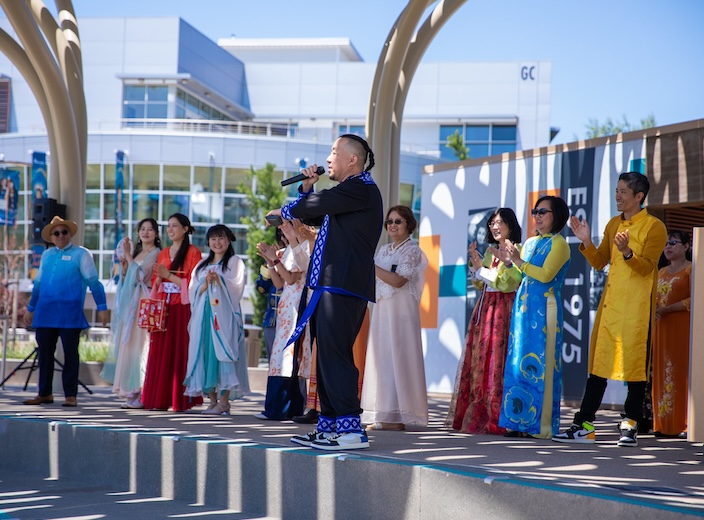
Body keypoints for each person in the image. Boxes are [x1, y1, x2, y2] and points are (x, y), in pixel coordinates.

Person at [269, 134, 383, 451]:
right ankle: (330, 426)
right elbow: (317, 211)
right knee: (326, 357)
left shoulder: (361, 188)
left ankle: (349, 429)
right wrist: (306, 189)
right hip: (330, 284)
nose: (329, 158)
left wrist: (287, 208)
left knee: (336, 356)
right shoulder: (350, 194)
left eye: (334, 152)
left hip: (343, 284)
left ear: (353, 160)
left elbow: (320, 204)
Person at [554, 172, 667, 447]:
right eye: (616, 191)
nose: (617, 196)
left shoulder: (654, 227)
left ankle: (629, 426)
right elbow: (599, 261)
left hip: (637, 310)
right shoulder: (613, 223)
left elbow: (646, 268)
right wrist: (586, 241)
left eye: (623, 192)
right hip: (610, 307)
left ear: (639, 197)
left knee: (635, 370)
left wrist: (628, 252)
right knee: (598, 367)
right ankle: (584, 426)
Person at [497, 196, 570, 439]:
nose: (538, 216)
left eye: (543, 212)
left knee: (542, 364)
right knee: (518, 362)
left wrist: (518, 261)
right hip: (523, 310)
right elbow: (521, 278)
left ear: (556, 215)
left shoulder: (560, 244)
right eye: (535, 211)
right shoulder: (529, 243)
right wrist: (509, 264)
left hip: (546, 309)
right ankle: (517, 422)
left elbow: (546, 275)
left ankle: (540, 426)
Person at [446, 208, 523, 435]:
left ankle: (498, 416)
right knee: (482, 360)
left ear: (510, 225)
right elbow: (483, 284)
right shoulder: (491, 252)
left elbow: (509, 283)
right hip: (486, 307)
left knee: (498, 361)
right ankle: (481, 414)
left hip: (503, 307)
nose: (494, 226)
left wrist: (483, 271)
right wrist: (476, 265)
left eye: (499, 222)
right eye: (492, 223)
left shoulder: (515, 250)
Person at [23, 216, 109, 407]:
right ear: (51, 237)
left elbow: (94, 283)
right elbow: (38, 285)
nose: (61, 235)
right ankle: (44, 393)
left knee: (71, 353)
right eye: (57, 233)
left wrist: (102, 307)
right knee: (44, 353)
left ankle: (71, 395)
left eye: (64, 232)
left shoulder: (81, 254)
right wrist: (31, 309)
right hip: (45, 313)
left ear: (70, 234)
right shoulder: (46, 255)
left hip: (70, 313)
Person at [360, 205, 428, 430]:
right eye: (389, 221)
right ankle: (383, 414)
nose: (392, 225)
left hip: (402, 313)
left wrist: (370, 266)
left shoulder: (413, 250)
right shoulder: (384, 250)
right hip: (382, 310)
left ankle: (400, 416)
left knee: (400, 356)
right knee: (382, 359)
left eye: (398, 221)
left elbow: (399, 280)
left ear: (409, 224)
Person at [141, 213, 203, 412]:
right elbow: (156, 282)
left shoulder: (194, 252)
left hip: (182, 307)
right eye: (168, 226)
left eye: (175, 226)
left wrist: (168, 276)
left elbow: (195, 283)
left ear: (185, 229)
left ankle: (180, 400)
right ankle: (159, 398)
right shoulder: (164, 253)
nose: (170, 229)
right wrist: (159, 280)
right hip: (164, 307)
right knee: (160, 353)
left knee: (180, 351)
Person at [184, 225, 249, 415]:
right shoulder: (202, 265)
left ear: (229, 240)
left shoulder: (235, 262)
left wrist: (219, 278)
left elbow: (237, 286)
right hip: (204, 315)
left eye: (221, 238)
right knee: (205, 352)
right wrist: (205, 283)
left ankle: (224, 400)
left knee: (225, 352)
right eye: (213, 238)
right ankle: (212, 400)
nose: (217, 242)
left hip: (224, 315)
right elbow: (192, 290)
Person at [254, 219, 312, 420]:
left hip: (297, 305)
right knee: (279, 356)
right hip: (286, 305)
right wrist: (271, 261)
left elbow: (291, 279)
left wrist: (275, 260)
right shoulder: (287, 250)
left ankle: (286, 408)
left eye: (287, 226)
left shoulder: (302, 248)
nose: (283, 230)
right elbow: (279, 284)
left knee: (289, 356)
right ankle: (275, 407)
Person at [102, 218, 161, 408]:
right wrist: (126, 263)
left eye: (150, 229)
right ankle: (130, 391)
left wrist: (128, 257)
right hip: (131, 306)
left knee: (141, 346)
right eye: (142, 229)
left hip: (143, 303)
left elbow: (141, 275)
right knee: (129, 346)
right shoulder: (137, 252)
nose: (145, 233)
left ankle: (141, 391)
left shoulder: (155, 253)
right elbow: (128, 277)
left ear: (156, 234)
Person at [652, 230, 691, 437]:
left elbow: (695, 299)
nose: (668, 247)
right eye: (666, 243)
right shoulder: (660, 272)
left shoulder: (691, 270)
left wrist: (667, 309)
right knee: (662, 371)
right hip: (662, 327)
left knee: (680, 371)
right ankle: (664, 424)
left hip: (682, 327)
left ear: (686, 246)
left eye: (673, 243)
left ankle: (684, 424)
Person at [254, 228, 285, 361]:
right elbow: (261, 288)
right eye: (280, 235)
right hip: (272, 319)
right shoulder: (273, 258)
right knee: (273, 363)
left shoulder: (300, 255)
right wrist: (270, 263)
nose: (283, 239)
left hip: (293, 318)